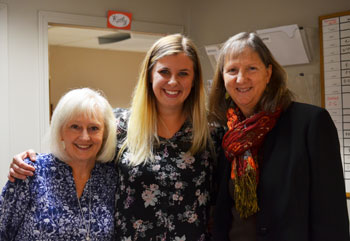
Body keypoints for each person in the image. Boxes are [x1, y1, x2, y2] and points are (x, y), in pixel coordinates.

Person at [7, 34, 223, 241]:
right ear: (149, 75)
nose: (173, 82)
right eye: (164, 72)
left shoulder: (211, 135)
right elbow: (79, 150)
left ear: (194, 80)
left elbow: (220, 204)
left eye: (183, 73)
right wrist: (30, 160)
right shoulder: (120, 126)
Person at [208, 32, 350, 241]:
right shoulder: (225, 133)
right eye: (232, 70)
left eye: (251, 68)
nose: (241, 78)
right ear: (222, 77)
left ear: (268, 73)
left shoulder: (310, 123)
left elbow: (331, 215)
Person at [1, 88, 118, 240]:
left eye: (93, 128)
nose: (84, 137)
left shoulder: (112, 177)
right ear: (60, 131)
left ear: (105, 134)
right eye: (75, 126)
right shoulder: (30, 171)